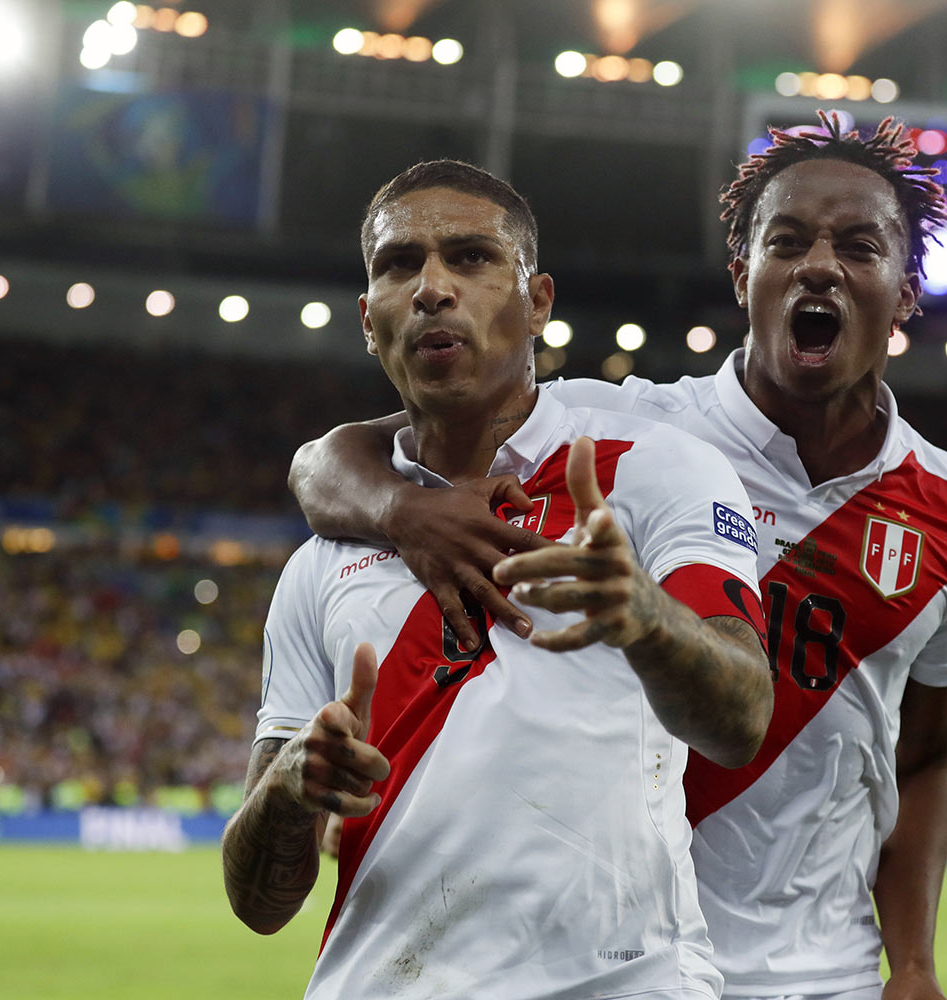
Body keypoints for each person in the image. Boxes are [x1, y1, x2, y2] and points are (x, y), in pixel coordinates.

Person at [289, 112, 947, 1000]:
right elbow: (328, 460)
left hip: (828, 973)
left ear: (905, 291)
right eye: (785, 242)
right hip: (635, 960)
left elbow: (927, 761)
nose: (818, 265)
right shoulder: (631, 431)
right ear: (744, 275)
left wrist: (916, 965)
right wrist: (405, 510)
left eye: (861, 247)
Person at [222, 159, 773, 999]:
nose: (433, 287)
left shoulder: (653, 472)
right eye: (400, 264)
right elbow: (258, 904)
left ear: (539, 302)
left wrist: (648, 618)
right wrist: (294, 789)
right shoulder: (321, 563)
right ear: (369, 320)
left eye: (472, 258)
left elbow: (742, 721)